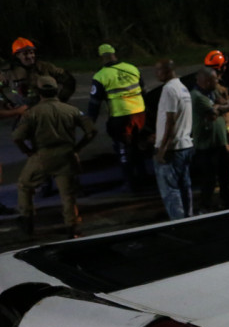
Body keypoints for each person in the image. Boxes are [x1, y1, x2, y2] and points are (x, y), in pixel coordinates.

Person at [11, 77, 96, 239]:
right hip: (67, 155)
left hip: (42, 155)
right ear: (56, 90)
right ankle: (72, 226)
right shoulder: (71, 110)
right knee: (68, 194)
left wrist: (28, 152)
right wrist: (77, 148)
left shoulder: (32, 113)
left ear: (38, 93)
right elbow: (91, 131)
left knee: (24, 185)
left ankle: (27, 220)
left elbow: (17, 137)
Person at [88, 43, 147, 191]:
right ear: (114, 54)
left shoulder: (100, 76)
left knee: (123, 150)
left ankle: (130, 183)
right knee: (138, 147)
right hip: (140, 114)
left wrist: (89, 124)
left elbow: (94, 104)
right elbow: (143, 92)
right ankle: (144, 179)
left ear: (102, 57)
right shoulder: (132, 68)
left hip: (121, 118)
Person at [153, 59, 194, 220]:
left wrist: (162, 148)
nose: (156, 74)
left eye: (158, 70)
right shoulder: (182, 88)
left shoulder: (169, 89)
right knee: (185, 186)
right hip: (185, 145)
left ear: (168, 71)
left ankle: (178, 222)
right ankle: (189, 218)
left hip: (172, 149)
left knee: (171, 191)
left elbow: (171, 121)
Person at [190, 67, 229, 213]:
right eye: (215, 79)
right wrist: (218, 108)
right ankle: (205, 206)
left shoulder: (212, 92)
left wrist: (218, 107)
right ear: (207, 81)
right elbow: (213, 112)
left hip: (220, 143)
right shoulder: (196, 96)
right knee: (208, 178)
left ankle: (227, 201)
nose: (218, 81)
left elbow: (227, 106)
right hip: (206, 146)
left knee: (224, 174)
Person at [1, 37, 76, 109]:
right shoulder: (9, 72)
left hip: (46, 109)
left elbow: (69, 80)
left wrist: (60, 100)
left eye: (31, 52)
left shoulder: (45, 67)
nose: (30, 56)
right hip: (23, 111)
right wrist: (6, 102)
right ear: (17, 55)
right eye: (25, 53)